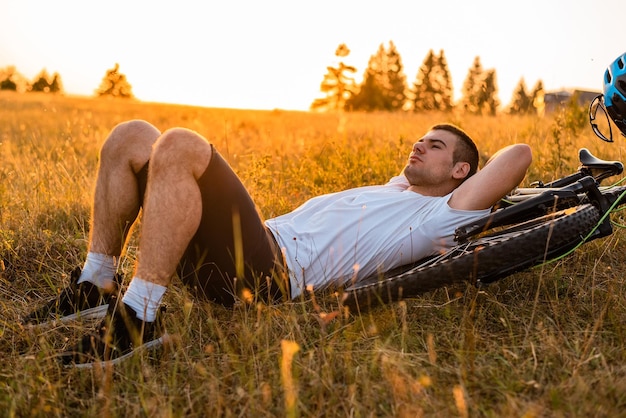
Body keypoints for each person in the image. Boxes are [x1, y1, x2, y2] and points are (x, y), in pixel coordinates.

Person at [22, 120, 532, 368]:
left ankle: (138, 319)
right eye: (421, 137)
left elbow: (520, 154)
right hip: (248, 245)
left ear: (463, 173)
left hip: (267, 271)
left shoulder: (439, 216)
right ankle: (96, 284)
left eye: (436, 145)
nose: (419, 144)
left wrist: (469, 187)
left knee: (181, 144)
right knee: (132, 135)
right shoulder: (396, 189)